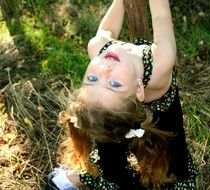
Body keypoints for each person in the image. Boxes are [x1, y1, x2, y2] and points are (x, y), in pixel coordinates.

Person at [45, 0, 197, 189]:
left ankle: (104, 176)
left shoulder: (97, 48)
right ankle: (109, 176)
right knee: (168, 160)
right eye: (114, 84)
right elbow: (161, 16)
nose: (104, 70)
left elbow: (107, 30)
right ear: (138, 88)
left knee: (111, 140)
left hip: (135, 122)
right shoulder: (161, 62)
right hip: (162, 125)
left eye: (92, 79)